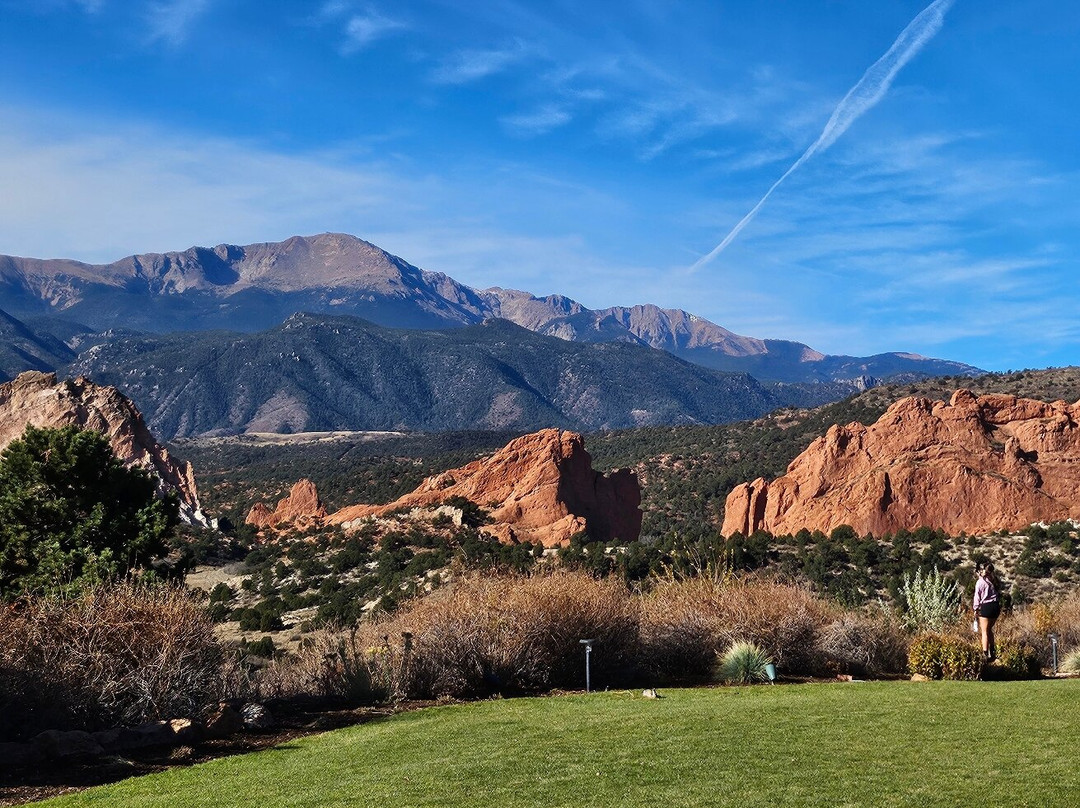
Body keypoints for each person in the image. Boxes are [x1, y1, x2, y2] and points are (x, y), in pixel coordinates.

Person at [973, 562, 1001, 661]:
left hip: (986, 606)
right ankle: (992, 652)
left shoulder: (980, 583)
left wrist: (975, 609)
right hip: (996, 606)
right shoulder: (994, 581)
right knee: (989, 629)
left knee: (984, 631)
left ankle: (985, 653)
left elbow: (977, 597)